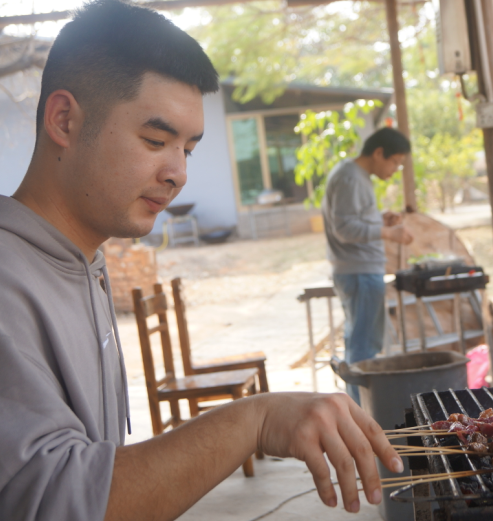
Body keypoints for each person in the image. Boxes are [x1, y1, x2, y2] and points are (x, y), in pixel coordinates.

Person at [0, 2, 403, 520]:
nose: (178, 173)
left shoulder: (84, 265)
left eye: (188, 149)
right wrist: (255, 420)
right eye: (155, 140)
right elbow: (58, 501)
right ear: (64, 119)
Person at [322, 127, 414, 403]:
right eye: (395, 162)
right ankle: (360, 411)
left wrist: (378, 219)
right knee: (363, 347)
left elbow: (353, 219)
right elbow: (344, 229)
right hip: (359, 271)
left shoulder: (355, 176)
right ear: (378, 153)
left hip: (361, 270)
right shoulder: (350, 177)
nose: (395, 169)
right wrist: (388, 233)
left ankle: (358, 410)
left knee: (363, 342)